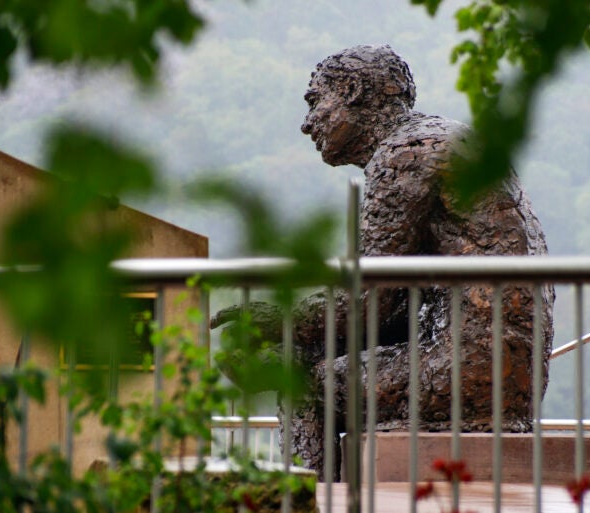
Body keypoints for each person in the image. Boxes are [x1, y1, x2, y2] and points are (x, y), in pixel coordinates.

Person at [214, 44, 554, 479]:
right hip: (507, 374)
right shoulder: (444, 139)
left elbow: (370, 300)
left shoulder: (403, 156)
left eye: (316, 102)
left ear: (352, 91)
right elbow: (396, 306)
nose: (306, 124)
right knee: (310, 355)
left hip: (469, 371)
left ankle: (308, 501)